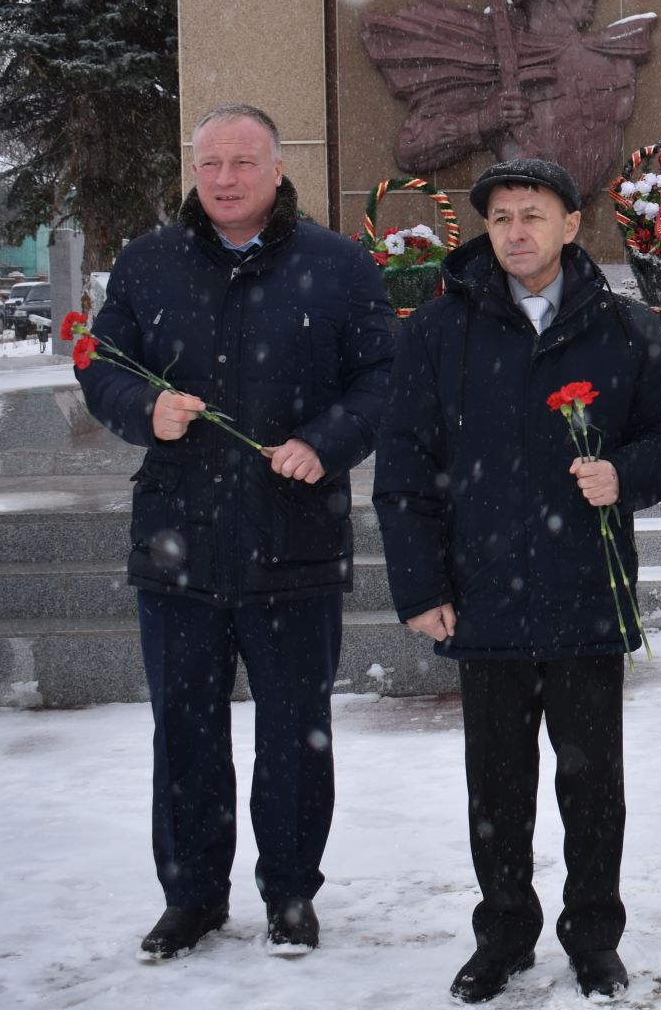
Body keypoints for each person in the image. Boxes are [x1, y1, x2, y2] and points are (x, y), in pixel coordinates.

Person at [75, 103, 397, 961]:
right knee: (184, 730)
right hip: (178, 539)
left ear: (277, 169)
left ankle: (291, 892)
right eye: (210, 162)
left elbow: (383, 380)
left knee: (296, 729)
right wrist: (148, 410)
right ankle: (192, 897)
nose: (224, 178)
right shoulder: (147, 265)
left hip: (294, 538)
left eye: (242, 163)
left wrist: (325, 445)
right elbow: (100, 367)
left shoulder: (338, 265)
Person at [372, 157, 661, 1004]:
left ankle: (594, 936)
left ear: (569, 225)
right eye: (502, 216)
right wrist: (419, 587)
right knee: (498, 785)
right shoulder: (439, 334)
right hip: (484, 598)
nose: (516, 230)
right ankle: (505, 932)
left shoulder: (625, 329)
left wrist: (625, 473)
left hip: (585, 590)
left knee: (593, 786)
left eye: (533, 214)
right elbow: (404, 467)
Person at [361, 0, 655, 200]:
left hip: (572, 209)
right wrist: (484, 120)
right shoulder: (493, 62)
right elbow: (410, 149)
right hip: (525, 205)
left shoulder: (613, 55)